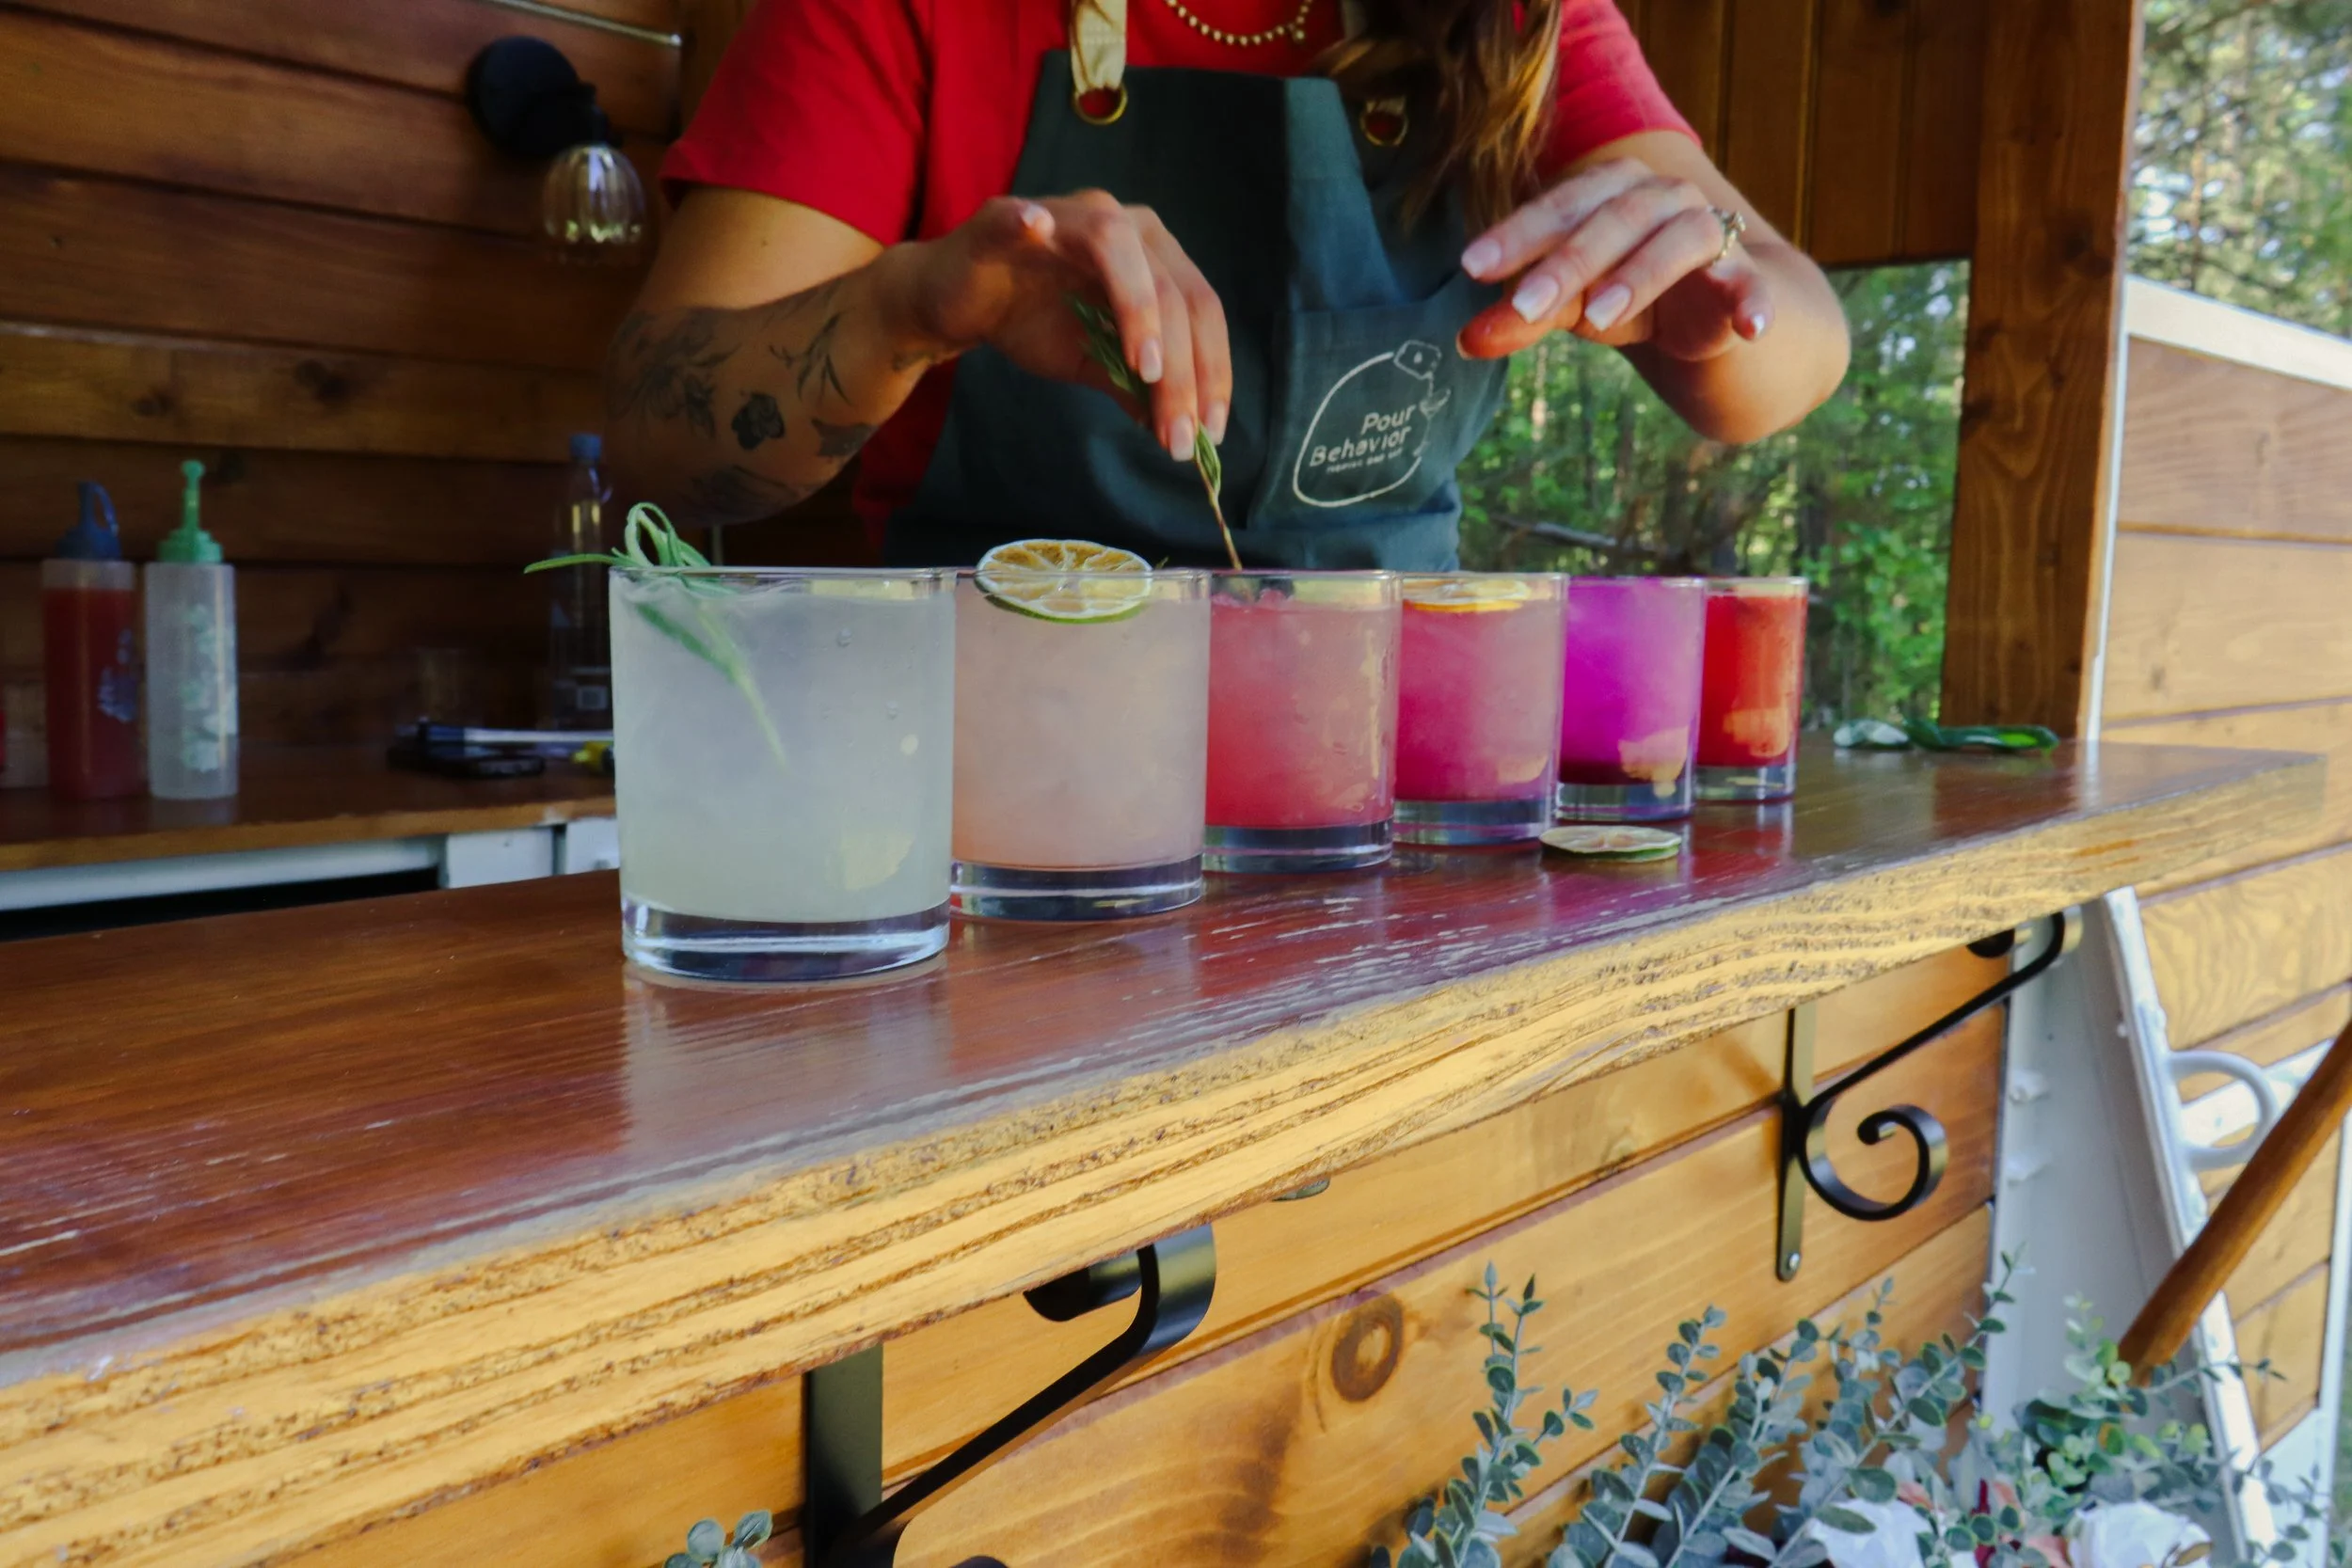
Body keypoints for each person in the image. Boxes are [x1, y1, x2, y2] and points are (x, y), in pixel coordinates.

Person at [611, 0, 1851, 569]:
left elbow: (1784, 361)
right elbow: (658, 440)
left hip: (1387, 778)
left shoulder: (1519, 23)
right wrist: (907, 308)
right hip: (996, 798)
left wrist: (1716, 275)